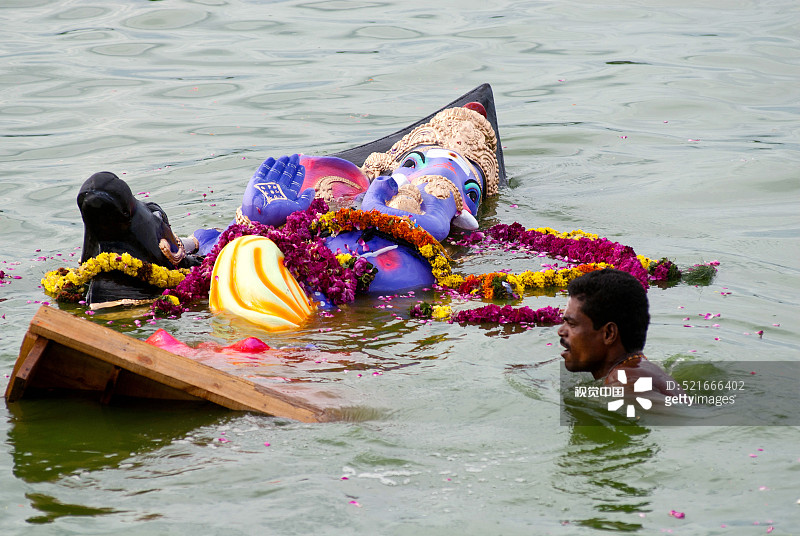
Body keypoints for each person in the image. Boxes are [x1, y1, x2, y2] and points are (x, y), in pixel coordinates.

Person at [557, 268, 683, 396]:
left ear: (609, 334)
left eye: (571, 324)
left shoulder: (625, 385)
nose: (561, 331)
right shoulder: (642, 369)